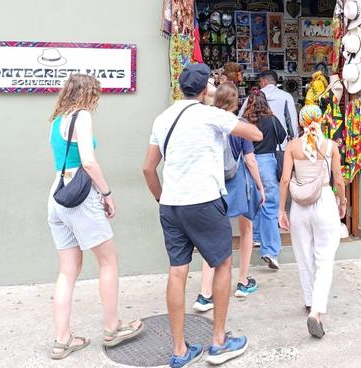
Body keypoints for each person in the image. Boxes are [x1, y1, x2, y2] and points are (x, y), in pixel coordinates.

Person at [142, 64, 262, 367]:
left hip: (171, 205)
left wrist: (161, 198)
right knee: (222, 264)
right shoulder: (211, 115)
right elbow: (255, 133)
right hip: (204, 201)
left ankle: (180, 351)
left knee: (177, 271)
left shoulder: (162, 117)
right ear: (206, 88)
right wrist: (222, 110)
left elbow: (148, 169)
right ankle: (219, 343)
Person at [46, 74, 143, 360]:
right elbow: (87, 160)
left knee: (67, 269)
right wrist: (107, 193)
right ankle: (113, 327)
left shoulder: (57, 120)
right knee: (108, 261)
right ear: (89, 94)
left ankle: (62, 340)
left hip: (57, 193)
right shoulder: (82, 116)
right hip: (80, 194)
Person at [194, 83, 267, 313]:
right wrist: (260, 187)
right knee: (246, 230)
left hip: (213, 185)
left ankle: (205, 293)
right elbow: (251, 160)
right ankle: (243, 282)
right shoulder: (240, 125)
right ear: (235, 101)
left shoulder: (207, 123)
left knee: (212, 237)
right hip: (239, 184)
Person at [278, 105, 347, 339]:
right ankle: (316, 311)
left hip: (299, 205)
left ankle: (310, 302)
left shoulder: (292, 146)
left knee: (304, 255)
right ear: (320, 120)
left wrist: (281, 211)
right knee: (324, 258)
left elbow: (285, 180)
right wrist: (343, 201)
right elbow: (338, 178)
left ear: (300, 121)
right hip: (325, 200)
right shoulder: (330, 146)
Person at [242, 88, 287, 270]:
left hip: (249, 162)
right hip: (268, 162)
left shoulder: (245, 121)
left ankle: (257, 237)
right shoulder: (271, 119)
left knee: (255, 203)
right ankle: (270, 251)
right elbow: (283, 137)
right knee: (270, 205)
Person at [239, 70, 297, 143]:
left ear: (265, 81)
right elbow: (292, 121)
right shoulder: (286, 97)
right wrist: (294, 139)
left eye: (260, 81)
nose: (259, 84)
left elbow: (241, 118)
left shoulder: (254, 96)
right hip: (281, 143)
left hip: (257, 143)